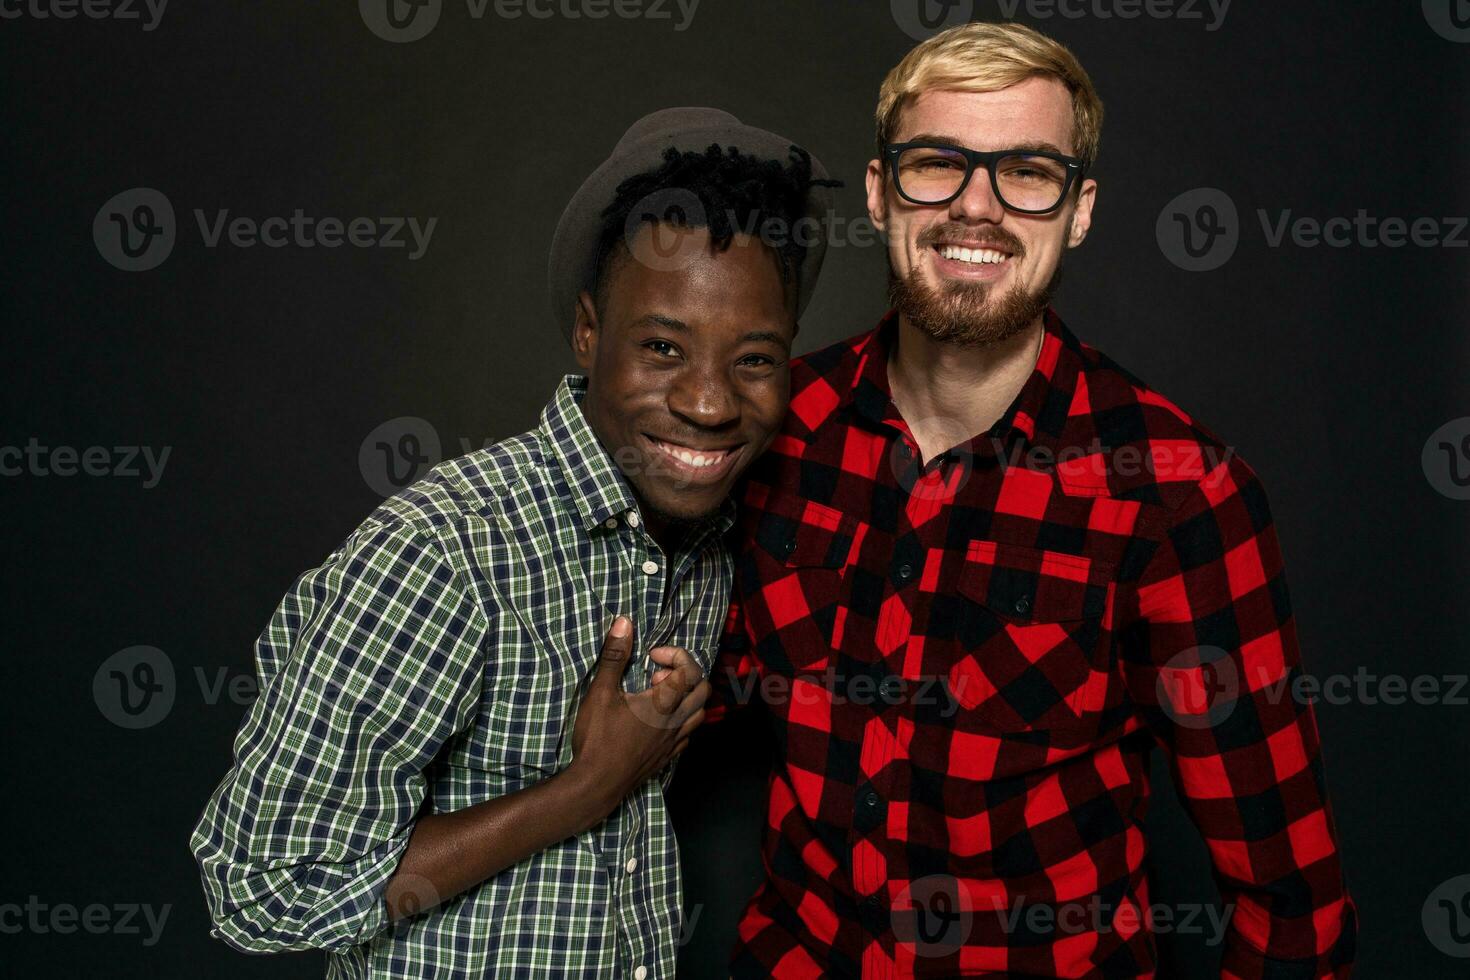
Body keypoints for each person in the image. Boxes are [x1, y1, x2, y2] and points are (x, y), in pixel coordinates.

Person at [665, 23, 1358, 978]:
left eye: (1028, 171)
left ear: (1078, 210)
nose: (976, 208)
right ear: (879, 193)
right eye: (937, 165)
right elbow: (660, 694)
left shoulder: (1179, 490)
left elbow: (1289, 900)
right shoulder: (775, 421)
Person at [190, 106, 836, 979]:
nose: (711, 404)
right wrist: (587, 788)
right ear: (586, 332)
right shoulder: (444, 551)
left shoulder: (707, 537)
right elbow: (261, 888)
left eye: (755, 360)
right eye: (662, 347)